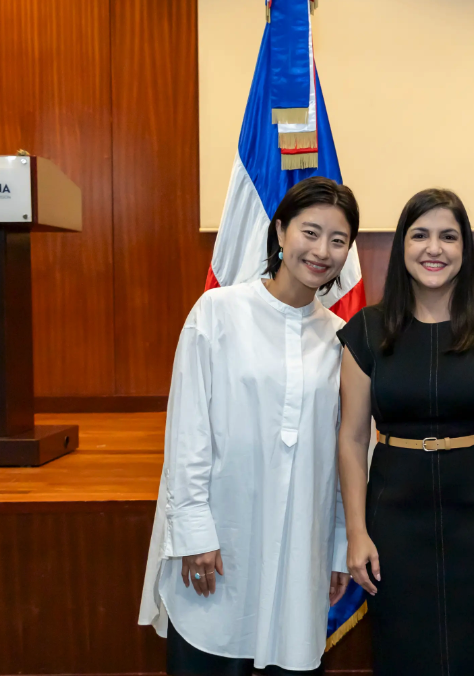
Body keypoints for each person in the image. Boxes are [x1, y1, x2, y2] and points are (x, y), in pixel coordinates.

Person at [138, 177, 360, 676]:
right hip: (220, 543)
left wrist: (338, 548)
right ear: (280, 231)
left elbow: (345, 455)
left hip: (302, 543)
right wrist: (194, 533)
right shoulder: (218, 312)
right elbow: (187, 434)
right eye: (310, 232)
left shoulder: (342, 339)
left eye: (338, 240)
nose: (321, 251)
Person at [337, 188, 474, 676]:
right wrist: (356, 532)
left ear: (465, 247)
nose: (434, 248)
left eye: (448, 237)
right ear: (402, 246)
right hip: (395, 516)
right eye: (420, 235)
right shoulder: (366, 330)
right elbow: (351, 438)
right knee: (404, 652)